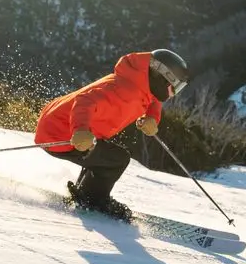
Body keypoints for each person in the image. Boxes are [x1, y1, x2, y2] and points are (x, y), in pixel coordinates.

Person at [34, 49, 190, 220]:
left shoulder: (139, 84)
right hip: (60, 135)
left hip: (60, 126)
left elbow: (153, 100)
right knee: (117, 159)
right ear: (161, 77)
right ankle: (92, 200)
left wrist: (152, 117)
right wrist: (80, 130)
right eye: (173, 88)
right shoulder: (123, 91)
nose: (172, 94)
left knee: (104, 154)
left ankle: (86, 192)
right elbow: (84, 101)